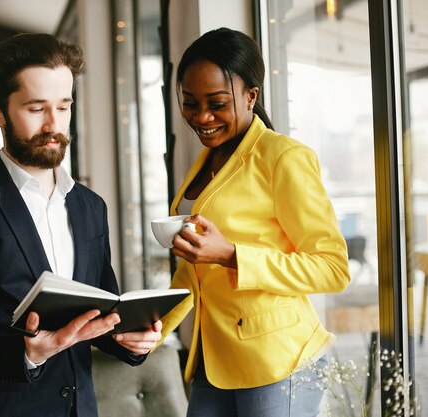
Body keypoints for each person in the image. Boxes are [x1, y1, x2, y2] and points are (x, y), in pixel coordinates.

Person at [0, 33, 161, 417]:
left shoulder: (90, 206)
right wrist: (27, 353)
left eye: (64, 107)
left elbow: (101, 316)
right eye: (36, 109)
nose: (54, 124)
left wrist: (131, 340)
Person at [157, 27, 351, 416]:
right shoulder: (206, 162)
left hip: (278, 362)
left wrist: (231, 255)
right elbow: (195, 271)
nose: (202, 117)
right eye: (190, 103)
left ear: (251, 96)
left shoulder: (283, 158)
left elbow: (333, 269)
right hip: (215, 359)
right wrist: (151, 326)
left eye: (217, 103)